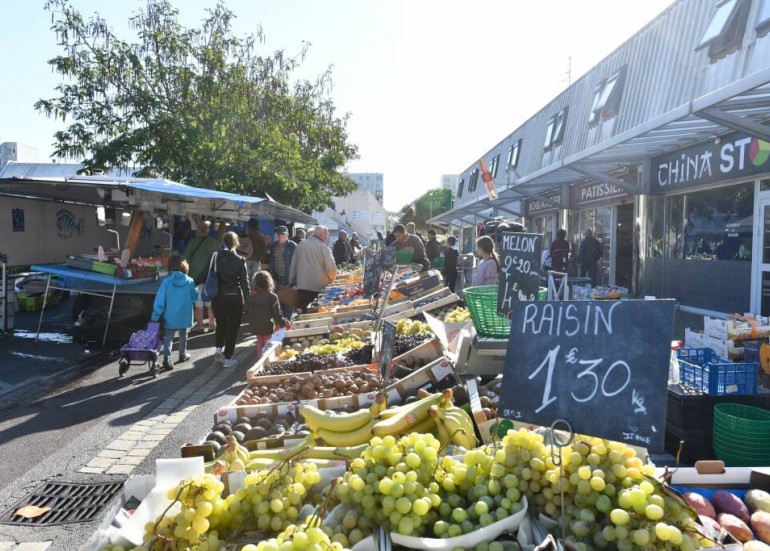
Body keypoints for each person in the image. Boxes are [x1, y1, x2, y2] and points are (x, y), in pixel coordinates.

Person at [151, 254, 199, 370]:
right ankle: (182, 355)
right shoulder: (190, 281)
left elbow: (160, 300)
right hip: (185, 314)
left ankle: (167, 358)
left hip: (170, 314)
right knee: (183, 334)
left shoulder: (167, 282)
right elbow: (195, 297)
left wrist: (155, 315)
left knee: (169, 337)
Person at [210, 232, 250, 368]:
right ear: (236, 243)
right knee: (232, 328)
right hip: (234, 298)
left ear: (223, 242)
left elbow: (204, 274)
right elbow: (245, 283)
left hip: (218, 297)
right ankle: (228, 359)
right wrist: (248, 300)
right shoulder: (240, 260)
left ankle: (218, 350)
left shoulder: (214, 257)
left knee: (220, 324)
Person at [289, 226, 338, 311]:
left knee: (304, 313)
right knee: (317, 312)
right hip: (318, 287)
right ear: (322, 235)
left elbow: (293, 265)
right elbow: (331, 267)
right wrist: (331, 279)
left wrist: (292, 280)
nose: (327, 237)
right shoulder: (323, 247)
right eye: (327, 234)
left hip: (302, 286)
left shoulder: (301, 245)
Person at [184, 220, 220, 334]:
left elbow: (186, 260)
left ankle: (199, 324)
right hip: (211, 277)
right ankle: (212, 324)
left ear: (197, 231)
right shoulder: (214, 243)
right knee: (210, 302)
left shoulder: (192, 243)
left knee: (198, 302)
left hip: (196, 277)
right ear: (207, 231)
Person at [246, 271, 287, 360]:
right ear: (269, 282)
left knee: (260, 342)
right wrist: (282, 323)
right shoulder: (272, 297)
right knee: (268, 343)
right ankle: (267, 359)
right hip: (268, 325)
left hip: (256, 325)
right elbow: (277, 314)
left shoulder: (251, 297)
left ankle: (260, 359)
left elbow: (247, 311)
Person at [268, 225, 298, 319]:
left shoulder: (292, 246)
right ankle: (281, 325)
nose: (279, 236)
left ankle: (287, 324)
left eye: (282, 234)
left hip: (289, 279)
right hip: (277, 279)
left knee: (288, 303)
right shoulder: (273, 246)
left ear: (287, 234)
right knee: (278, 303)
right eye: (278, 234)